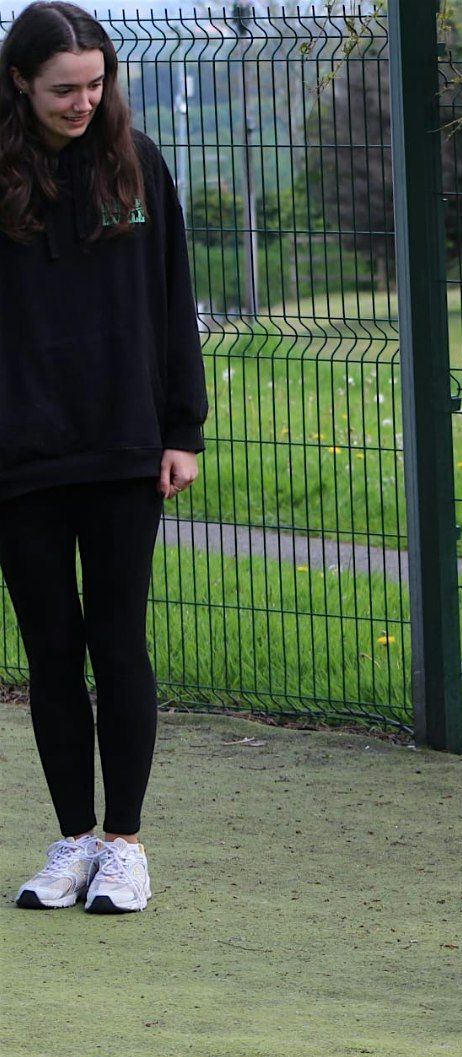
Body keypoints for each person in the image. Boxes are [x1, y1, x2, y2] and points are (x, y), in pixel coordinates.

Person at [0, 2, 207, 913]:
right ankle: (74, 840)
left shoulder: (138, 161)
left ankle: (125, 844)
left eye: (95, 85)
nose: (83, 102)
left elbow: (174, 297)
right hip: (18, 451)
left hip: (125, 444)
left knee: (118, 638)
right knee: (51, 648)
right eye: (62, 90)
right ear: (18, 82)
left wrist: (183, 430)